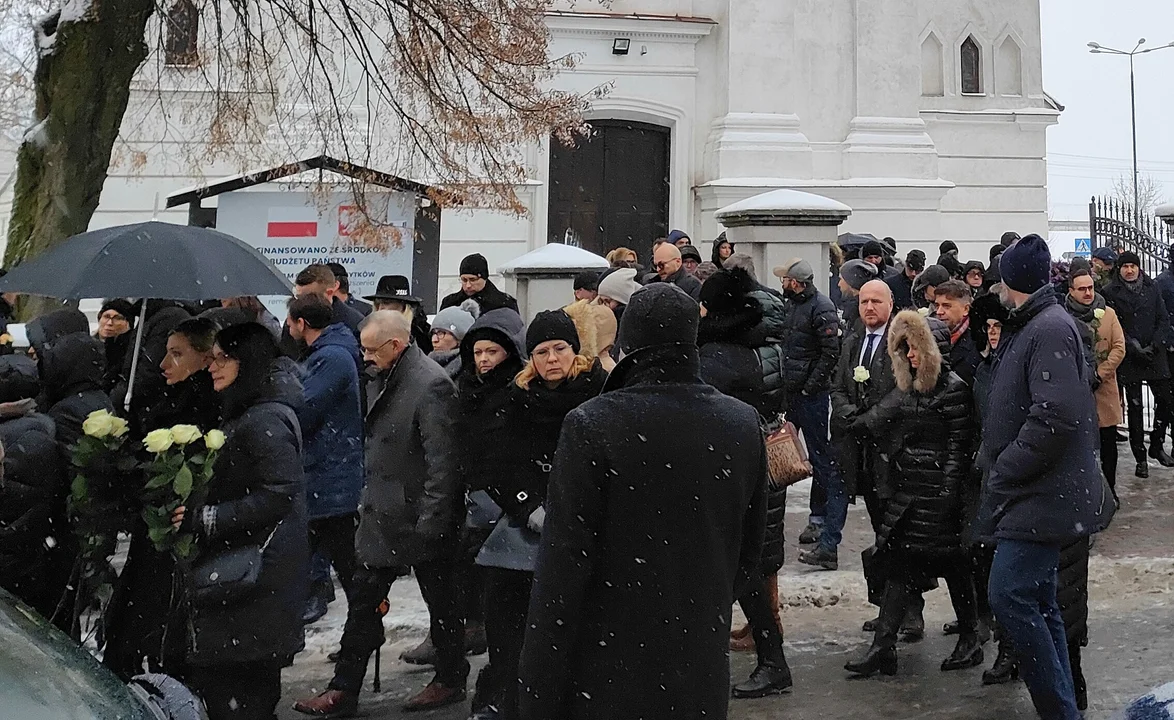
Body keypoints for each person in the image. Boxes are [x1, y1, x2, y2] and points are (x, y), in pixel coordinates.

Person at [517, 283, 767, 720]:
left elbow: (563, 566)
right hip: (698, 656)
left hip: (608, 660)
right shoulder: (740, 422)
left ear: (628, 342)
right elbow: (749, 550)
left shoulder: (593, 424)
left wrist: (538, 684)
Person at [295, 311, 467, 717]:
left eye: (372, 349)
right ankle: (344, 689)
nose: (364, 355)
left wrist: (432, 526)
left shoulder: (430, 386)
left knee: (441, 603)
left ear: (396, 345)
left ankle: (450, 676)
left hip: (420, 516)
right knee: (364, 601)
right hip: (383, 513)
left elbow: (445, 465)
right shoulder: (382, 377)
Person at [978, 234, 1115, 720]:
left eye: (1000, 279)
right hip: (1036, 491)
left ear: (1011, 281)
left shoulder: (1049, 327)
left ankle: (1059, 710)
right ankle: (1063, 711)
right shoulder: (1035, 322)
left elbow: (1055, 414)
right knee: (1038, 598)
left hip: (1042, 492)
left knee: (1009, 594)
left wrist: (1007, 466)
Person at [471, 310, 606, 720]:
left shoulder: (598, 393)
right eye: (542, 352)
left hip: (588, 524)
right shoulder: (517, 397)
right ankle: (510, 691)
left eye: (559, 349)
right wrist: (529, 504)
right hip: (527, 522)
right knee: (510, 610)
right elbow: (500, 462)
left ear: (574, 351)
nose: (551, 359)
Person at [179, 322, 308, 720]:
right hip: (249, 573)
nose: (213, 366)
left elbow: (278, 493)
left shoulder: (263, 418)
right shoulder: (248, 411)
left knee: (244, 694)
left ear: (247, 361)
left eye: (223, 358)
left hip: (256, 577)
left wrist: (209, 518)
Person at [844, 310, 980, 678]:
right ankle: (884, 646)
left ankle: (969, 637)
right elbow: (883, 419)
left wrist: (948, 495)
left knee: (953, 567)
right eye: (904, 349)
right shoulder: (910, 387)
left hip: (937, 496)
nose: (910, 356)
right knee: (900, 565)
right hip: (911, 492)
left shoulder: (953, 389)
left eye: (915, 348)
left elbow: (959, 447)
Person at [695, 268, 793, 699]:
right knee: (749, 567)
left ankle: (770, 661)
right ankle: (770, 657)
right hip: (763, 467)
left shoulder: (718, 357)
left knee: (736, 569)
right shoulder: (765, 345)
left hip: (732, 475)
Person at [104, 317, 220, 678]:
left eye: (176, 354)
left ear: (204, 358)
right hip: (153, 525)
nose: (165, 364)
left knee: (157, 604)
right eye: (164, 353)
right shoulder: (162, 396)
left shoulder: (206, 407)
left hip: (179, 529)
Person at [441, 308, 526, 687]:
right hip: (473, 494)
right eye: (478, 353)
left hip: (505, 501)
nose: (484, 360)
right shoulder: (467, 389)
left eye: (492, 352)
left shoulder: (519, 392)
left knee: (499, 589)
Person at [286, 295, 364, 628]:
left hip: (332, 475)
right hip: (326, 472)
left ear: (302, 324)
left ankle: (362, 630)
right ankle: (357, 633)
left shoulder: (331, 357)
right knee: (330, 557)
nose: (287, 328)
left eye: (290, 322)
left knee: (348, 565)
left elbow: (303, 407)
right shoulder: (325, 354)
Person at [829, 281, 903, 616]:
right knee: (879, 530)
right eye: (863, 301)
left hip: (891, 450)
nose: (869, 307)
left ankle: (906, 609)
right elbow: (839, 384)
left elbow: (902, 391)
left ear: (890, 303)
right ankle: (888, 607)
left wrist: (871, 418)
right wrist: (847, 412)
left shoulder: (899, 341)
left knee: (897, 534)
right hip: (859, 453)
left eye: (876, 301)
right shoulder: (853, 340)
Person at [771, 260, 844, 569]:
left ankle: (818, 517)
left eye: (785, 279)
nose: (782, 283)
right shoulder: (789, 305)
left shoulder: (821, 307)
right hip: (790, 393)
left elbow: (830, 352)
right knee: (781, 452)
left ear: (796, 282)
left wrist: (809, 387)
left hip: (811, 396)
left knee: (819, 457)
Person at [0, 355, 70, 629]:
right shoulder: (38, 425)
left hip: (11, 559)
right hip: (24, 556)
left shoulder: (19, 436)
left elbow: (16, 502)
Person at [1103, 251, 1174, 477]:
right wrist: (1132, 345)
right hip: (1130, 356)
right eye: (1125, 266)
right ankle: (1140, 457)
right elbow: (1114, 325)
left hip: (1154, 354)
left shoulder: (1152, 288)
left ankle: (1157, 442)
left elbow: (1163, 318)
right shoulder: (1110, 292)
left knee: (1165, 400)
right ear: (1119, 269)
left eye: (1133, 266)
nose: (1130, 270)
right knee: (1134, 409)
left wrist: (1156, 343)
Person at [1065, 269, 1126, 498]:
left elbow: (1119, 347)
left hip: (1104, 387)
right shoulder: (1063, 316)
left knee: (1108, 444)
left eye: (1090, 287)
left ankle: (1109, 490)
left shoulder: (1107, 314)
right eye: (1082, 289)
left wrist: (1100, 373)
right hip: (1077, 389)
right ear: (1071, 291)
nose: (1088, 293)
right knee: (1081, 447)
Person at [363, 274, 433, 353]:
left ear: (403, 306)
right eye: (377, 304)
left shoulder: (421, 336)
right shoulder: (368, 330)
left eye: (386, 303)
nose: (380, 308)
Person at [933, 280, 981, 386]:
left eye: (946, 306)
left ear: (966, 309)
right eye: (937, 306)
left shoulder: (979, 342)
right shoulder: (932, 335)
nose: (939, 312)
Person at [441, 253, 520, 314]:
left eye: (473, 280)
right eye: (464, 280)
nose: (468, 285)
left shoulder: (504, 304)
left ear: (484, 278)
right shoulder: (450, 303)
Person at [429, 299, 481, 379]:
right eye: (433, 333)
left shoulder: (471, 371)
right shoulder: (425, 365)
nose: (434, 340)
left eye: (441, 333)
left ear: (460, 338)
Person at [97, 299, 136, 393]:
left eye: (117, 318)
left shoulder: (132, 350)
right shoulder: (89, 345)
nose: (110, 323)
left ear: (128, 323)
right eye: (106, 316)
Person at [838, 259, 879, 330]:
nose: (839, 284)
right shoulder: (855, 308)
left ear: (850, 282)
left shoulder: (858, 312)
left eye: (841, 279)